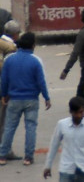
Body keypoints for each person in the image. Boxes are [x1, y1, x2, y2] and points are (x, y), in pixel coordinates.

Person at [0, 32, 51, 166]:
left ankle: (2, 156)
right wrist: (46, 97)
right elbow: (41, 81)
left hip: (14, 99)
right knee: (30, 128)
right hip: (31, 100)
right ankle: (28, 157)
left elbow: (4, 80)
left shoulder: (9, 60)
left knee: (9, 127)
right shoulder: (35, 61)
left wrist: (3, 95)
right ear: (33, 45)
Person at [43, 97, 84, 181]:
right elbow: (54, 145)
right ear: (70, 111)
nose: (78, 115)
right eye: (76, 113)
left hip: (83, 169)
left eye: (81, 112)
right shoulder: (62, 124)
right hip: (66, 169)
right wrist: (48, 166)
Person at [0, 20, 19, 160]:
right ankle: (5, 151)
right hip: (3, 89)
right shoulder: (11, 47)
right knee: (5, 121)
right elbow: (9, 71)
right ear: (15, 34)